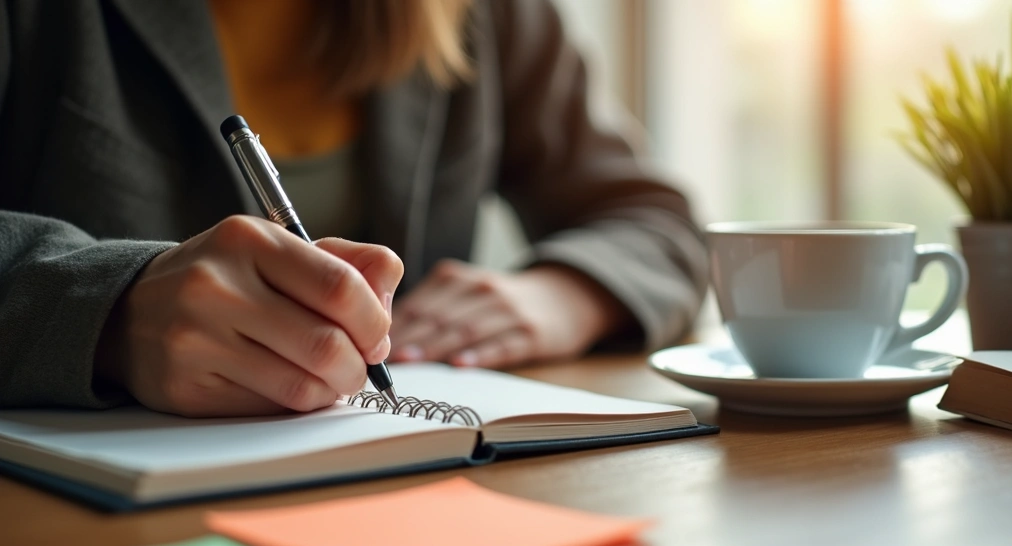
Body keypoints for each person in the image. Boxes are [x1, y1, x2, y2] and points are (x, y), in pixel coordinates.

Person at [0, 0, 707, 417]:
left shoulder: (485, 13)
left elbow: (656, 223)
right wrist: (111, 310)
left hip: (392, 500)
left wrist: (562, 295)